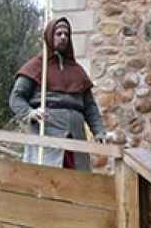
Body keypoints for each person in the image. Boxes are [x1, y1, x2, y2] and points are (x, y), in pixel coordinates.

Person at [9, 16, 109, 171]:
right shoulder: (36, 66)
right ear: (50, 36)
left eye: (66, 34)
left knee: (77, 181)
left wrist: (99, 131)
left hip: (76, 138)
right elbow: (16, 98)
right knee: (46, 178)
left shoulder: (77, 70)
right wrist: (30, 113)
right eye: (59, 33)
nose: (63, 37)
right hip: (47, 134)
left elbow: (90, 107)